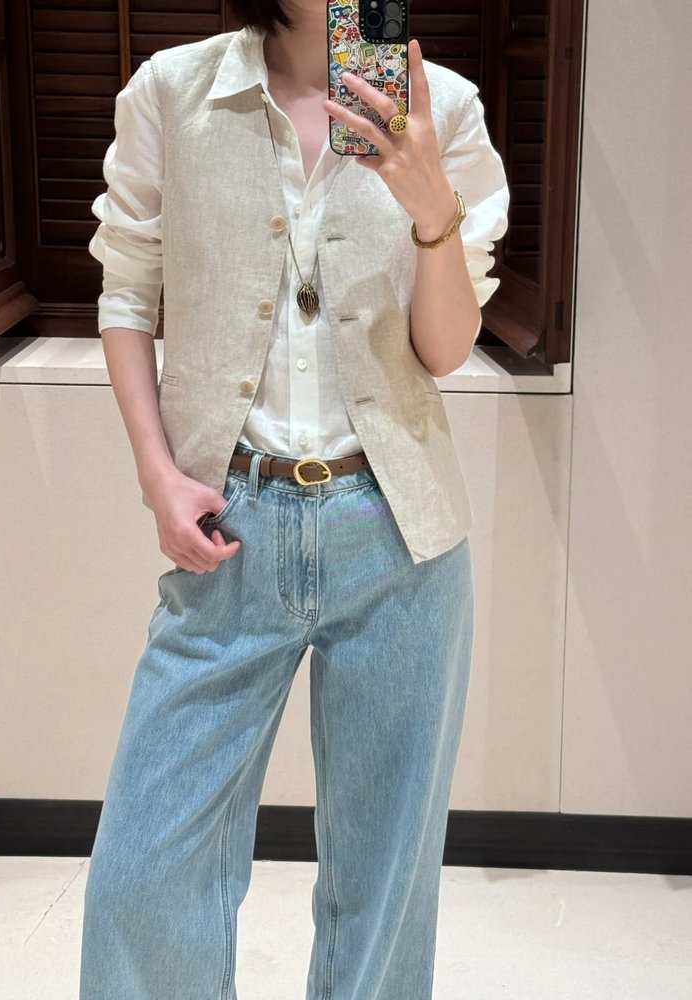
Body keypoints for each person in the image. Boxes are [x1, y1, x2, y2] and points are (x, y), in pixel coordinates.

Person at [79, 2, 509, 997]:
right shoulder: (175, 92)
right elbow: (127, 292)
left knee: (382, 886)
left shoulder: (441, 106)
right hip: (231, 524)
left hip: (397, 536)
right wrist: (156, 472)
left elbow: (446, 349)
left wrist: (430, 207)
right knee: (145, 878)